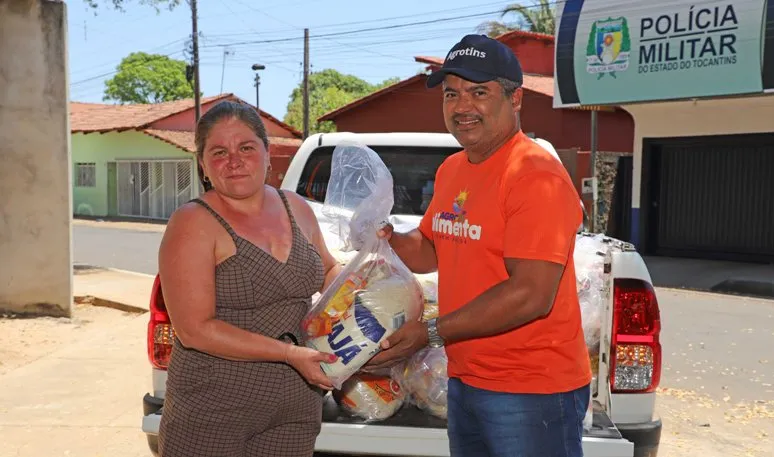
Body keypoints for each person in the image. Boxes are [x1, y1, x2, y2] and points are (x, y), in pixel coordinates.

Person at [364, 34, 593, 457]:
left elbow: (531, 295)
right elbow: (431, 248)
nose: (462, 106)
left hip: (531, 390)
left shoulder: (535, 175)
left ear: (516, 99)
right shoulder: (454, 169)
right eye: (452, 94)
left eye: (479, 92)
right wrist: (387, 238)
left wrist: (430, 333)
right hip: (467, 379)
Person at [157, 100, 342, 457]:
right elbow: (194, 329)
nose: (234, 160)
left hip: (295, 408)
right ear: (203, 165)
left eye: (246, 147)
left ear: (268, 153)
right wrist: (288, 353)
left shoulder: (297, 207)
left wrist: (368, 282)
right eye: (219, 152)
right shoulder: (193, 222)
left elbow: (329, 271)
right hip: (212, 413)